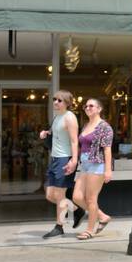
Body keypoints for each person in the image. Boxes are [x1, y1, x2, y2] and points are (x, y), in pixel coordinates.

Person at [39, 90, 80, 238]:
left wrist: (74, 160)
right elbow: (55, 132)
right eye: (54, 99)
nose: (55, 102)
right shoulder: (57, 117)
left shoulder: (70, 117)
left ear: (67, 103)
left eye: (59, 100)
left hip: (64, 158)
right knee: (50, 194)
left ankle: (59, 226)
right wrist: (46, 133)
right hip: (54, 158)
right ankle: (76, 209)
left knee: (60, 195)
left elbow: (74, 141)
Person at [72, 97, 114, 240]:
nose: (88, 108)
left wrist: (108, 170)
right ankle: (102, 216)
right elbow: (81, 146)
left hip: (97, 165)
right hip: (84, 165)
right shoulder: (85, 125)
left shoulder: (105, 127)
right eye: (86, 106)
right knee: (76, 197)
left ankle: (90, 230)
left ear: (99, 109)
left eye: (91, 106)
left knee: (91, 199)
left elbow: (107, 149)